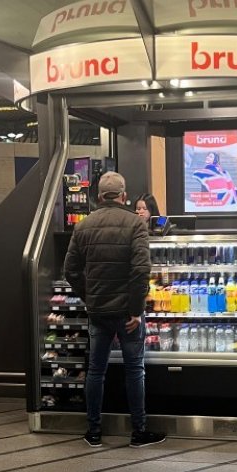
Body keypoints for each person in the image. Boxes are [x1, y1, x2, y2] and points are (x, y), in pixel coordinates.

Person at [63, 171, 166, 448]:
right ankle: (138, 431)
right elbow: (141, 270)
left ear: (99, 196)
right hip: (126, 313)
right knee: (134, 370)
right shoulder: (135, 224)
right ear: (123, 196)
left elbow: (70, 270)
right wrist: (135, 309)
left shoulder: (84, 226)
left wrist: (90, 297)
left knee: (96, 371)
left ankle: (94, 432)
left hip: (98, 312)